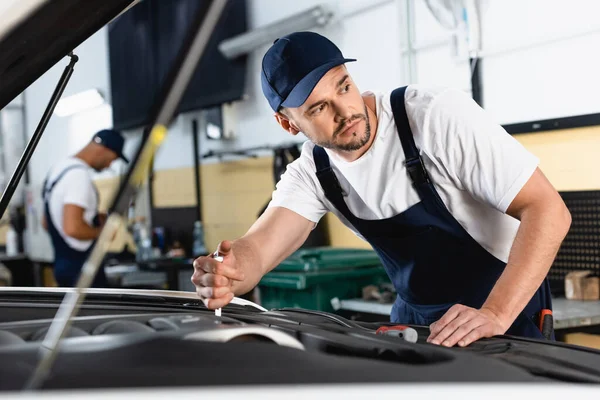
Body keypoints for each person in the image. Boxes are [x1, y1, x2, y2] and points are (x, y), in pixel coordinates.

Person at [191, 32, 571, 347]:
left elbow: (548, 210)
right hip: (419, 324)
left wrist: (495, 313)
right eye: (318, 108)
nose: (345, 111)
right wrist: (230, 271)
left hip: (507, 313)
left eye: (344, 86)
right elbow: (258, 249)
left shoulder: (434, 116)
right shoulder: (315, 171)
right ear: (288, 125)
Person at [42, 129, 128, 287]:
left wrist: (92, 219)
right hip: (81, 270)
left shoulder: (57, 170)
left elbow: (46, 223)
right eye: (112, 159)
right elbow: (73, 229)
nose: (110, 165)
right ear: (104, 149)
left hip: (62, 266)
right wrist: (104, 232)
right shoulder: (78, 176)